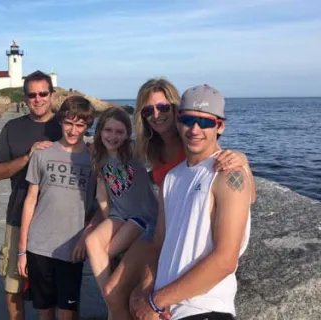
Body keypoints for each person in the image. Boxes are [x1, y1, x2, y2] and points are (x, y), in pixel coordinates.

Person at [103, 78, 256, 320]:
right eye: (188, 120)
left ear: (220, 126)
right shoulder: (165, 167)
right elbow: (160, 243)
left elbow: (226, 259)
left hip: (201, 307)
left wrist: (243, 162)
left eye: (205, 121)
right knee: (114, 290)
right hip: (169, 294)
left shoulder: (226, 173)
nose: (195, 129)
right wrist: (149, 290)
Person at [0, 70, 62, 320]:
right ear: (25, 97)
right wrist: (27, 158)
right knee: (13, 285)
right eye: (32, 94)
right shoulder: (13, 128)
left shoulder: (65, 126)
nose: (38, 99)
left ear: (52, 95)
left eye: (43, 93)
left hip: (56, 221)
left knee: (55, 289)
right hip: (19, 215)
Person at [17, 96, 96, 320]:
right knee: (44, 310)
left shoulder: (94, 159)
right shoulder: (42, 153)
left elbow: (102, 205)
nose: (73, 130)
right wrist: (22, 251)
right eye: (69, 123)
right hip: (38, 246)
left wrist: (86, 237)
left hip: (72, 248)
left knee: (68, 311)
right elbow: (30, 201)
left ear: (87, 126)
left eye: (80, 125)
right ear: (60, 121)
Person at [84, 107, 158, 314]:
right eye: (108, 130)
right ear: (100, 132)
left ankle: (114, 296)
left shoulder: (135, 150)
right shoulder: (99, 156)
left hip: (143, 215)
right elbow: (101, 196)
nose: (113, 136)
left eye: (119, 132)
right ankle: (112, 300)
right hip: (119, 215)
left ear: (127, 134)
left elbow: (160, 145)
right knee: (92, 241)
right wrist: (109, 222)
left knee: (108, 251)